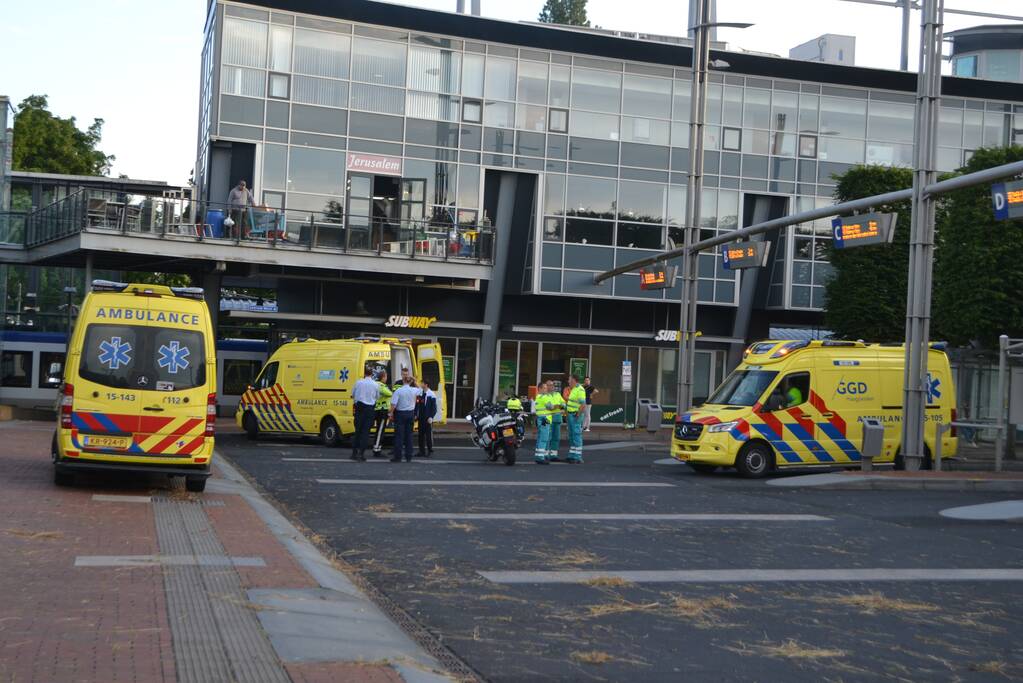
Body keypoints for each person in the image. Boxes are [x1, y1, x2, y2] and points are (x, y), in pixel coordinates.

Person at [351, 367, 379, 462]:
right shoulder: (375, 385)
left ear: (364, 373)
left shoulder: (358, 382)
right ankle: (361, 454)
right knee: (365, 432)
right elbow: (377, 397)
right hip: (369, 409)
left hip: (359, 408)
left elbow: (353, 394)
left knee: (357, 431)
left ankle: (354, 452)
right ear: (372, 374)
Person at [390, 376, 418, 462]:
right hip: (410, 414)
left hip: (400, 414)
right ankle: (408, 456)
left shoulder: (398, 391)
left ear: (403, 381)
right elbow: (421, 390)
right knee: (409, 436)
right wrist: (415, 381)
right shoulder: (414, 390)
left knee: (399, 436)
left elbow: (393, 404)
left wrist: (390, 413)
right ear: (410, 382)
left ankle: (398, 457)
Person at [370, 369, 393, 458]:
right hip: (382, 410)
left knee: (380, 430)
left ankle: (377, 448)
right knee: (380, 431)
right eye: (386, 377)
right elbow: (389, 393)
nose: (387, 378)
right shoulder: (381, 386)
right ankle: (376, 450)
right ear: (383, 377)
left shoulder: (376, 384)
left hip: (377, 409)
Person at [565, 375, 587, 464]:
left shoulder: (580, 389)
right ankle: (572, 455)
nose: (568, 381)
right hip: (571, 415)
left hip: (575, 415)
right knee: (571, 435)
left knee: (576, 435)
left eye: (569, 380)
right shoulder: (574, 389)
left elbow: (583, 404)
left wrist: (578, 414)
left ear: (574, 380)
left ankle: (577, 457)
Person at [533, 384, 556, 465]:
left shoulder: (538, 397)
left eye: (546, 388)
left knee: (540, 437)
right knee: (544, 438)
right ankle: (540, 457)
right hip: (545, 419)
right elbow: (551, 407)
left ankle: (539, 455)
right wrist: (558, 406)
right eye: (545, 388)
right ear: (540, 388)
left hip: (541, 418)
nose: (546, 389)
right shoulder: (544, 397)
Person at [414, 380, 437, 458]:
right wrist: (416, 414)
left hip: (427, 418)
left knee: (428, 435)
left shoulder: (431, 395)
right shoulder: (420, 393)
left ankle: (430, 450)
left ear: (426, 385)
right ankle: (421, 451)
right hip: (421, 417)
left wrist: (431, 417)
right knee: (421, 435)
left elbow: (434, 408)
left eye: (422, 383)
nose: (421, 384)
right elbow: (417, 404)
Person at [546, 380, 567, 462]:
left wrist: (561, 406)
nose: (551, 387)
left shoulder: (557, 394)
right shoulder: (544, 395)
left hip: (557, 419)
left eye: (552, 385)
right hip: (549, 419)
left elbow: (564, 404)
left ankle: (553, 455)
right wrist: (557, 406)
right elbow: (549, 407)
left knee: (556, 437)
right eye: (548, 385)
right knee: (548, 437)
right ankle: (546, 455)